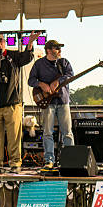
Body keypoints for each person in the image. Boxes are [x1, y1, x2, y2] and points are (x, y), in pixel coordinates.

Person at [0, 31, 40, 173]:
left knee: (14, 135)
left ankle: (15, 163)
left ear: (4, 43)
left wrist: (29, 43)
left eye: (1, 41)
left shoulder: (12, 56)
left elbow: (27, 57)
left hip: (12, 103)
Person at [28, 39, 74, 169]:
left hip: (63, 101)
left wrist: (58, 81)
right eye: (56, 48)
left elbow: (70, 74)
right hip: (47, 102)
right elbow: (31, 80)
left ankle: (70, 160)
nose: (59, 51)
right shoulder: (39, 64)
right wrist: (41, 84)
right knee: (47, 132)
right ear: (48, 50)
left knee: (67, 132)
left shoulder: (64, 62)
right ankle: (49, 160)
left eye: (59, 48)